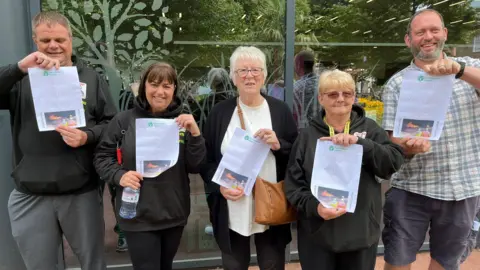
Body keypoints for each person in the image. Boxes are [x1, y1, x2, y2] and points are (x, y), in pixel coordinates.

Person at [0, 11, 116, 270]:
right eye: (45, 40)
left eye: (60, 40)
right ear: (35, 41)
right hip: (31, 194)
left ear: (71, 39)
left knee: (93, 265)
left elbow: (112, 124)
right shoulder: (21, 79)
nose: (53, 46)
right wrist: (19, 68)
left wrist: (87, 136)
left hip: (80, 192)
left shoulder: (90, 77)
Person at [381, 9, 480, 270]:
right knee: (397, 261)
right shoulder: (397, 84)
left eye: (434, 30)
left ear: (445, 33)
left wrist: (459, 70)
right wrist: (409, 147)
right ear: (409, 40)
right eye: (420, 32)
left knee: (446, 264)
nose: (428, 37)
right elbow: (393, 139)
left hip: (463, 188)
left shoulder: (470, 69)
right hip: (412, 189)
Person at [284, 69, 404, 270]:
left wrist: (361, 144)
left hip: (360, 233)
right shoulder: (307, 136)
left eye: (346, 93)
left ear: (354, 97)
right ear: (321, 98)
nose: (340, 99)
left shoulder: (371, 129)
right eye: (332, 94)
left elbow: (392, 163)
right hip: (317, 234)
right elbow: (294, 185)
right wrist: (315, 207)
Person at [94, 62, 206, 270]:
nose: (160, 92)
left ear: (174, 89)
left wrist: (196, 133)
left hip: (173, 213)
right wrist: (119, 175)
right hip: (138, 214)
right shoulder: (124, 121)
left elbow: (196, 165)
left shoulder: (182, 123)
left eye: (166, 86)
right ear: (144, 86)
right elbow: (102, 157)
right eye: (154, 84)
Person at [200, 46, 298, 269]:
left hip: (271, 203)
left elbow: (296, 155)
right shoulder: (220, 113)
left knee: (272, 264)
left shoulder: (280, 111)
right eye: (242, 70)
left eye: (255, 69)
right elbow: (205, 161)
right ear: (233, 77)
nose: (249, 75)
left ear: (264, 75)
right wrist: (219, 186)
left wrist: (278, 144)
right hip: (232, 204)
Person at [293, 50, 320, 129]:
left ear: (298, 65)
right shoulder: (324, 83)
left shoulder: (297, 88)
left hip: (303, 132)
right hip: (324, 129)